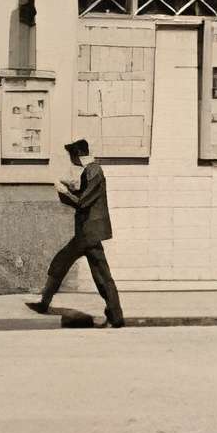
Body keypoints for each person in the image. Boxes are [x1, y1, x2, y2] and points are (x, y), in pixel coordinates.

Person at [29, 137, 125, 328]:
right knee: (90, 270)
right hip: (87, 232)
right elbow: (85, 194)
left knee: (92, 272)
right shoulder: (91, 171)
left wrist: (63, 192)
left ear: (80, 154)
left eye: (72, 155)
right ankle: (115, 314)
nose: (71, 159)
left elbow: (83, 202)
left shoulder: (94, 171)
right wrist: (72, 188)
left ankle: (44, 303)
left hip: (89, 232)